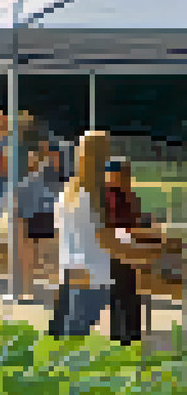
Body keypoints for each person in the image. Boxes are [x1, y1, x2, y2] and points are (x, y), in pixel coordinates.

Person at [50, 132, 156, 338]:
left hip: (70, 272)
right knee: (74, 341)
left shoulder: (67, 192)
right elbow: (107, 242)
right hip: (92, 275)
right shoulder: (95, 197)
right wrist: (146, 255)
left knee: (66, 339)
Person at [103, 158, 150, 345]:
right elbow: (108, 225)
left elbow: (136, 219)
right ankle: (120, 335)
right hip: (115, 250)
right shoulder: (106, 197)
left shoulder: (129, 196)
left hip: (129, 249)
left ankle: (132, 333)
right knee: (119, 293)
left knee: (130, 291)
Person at [13, 147, 60, 299]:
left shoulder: (31, 179)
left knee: (31, 256)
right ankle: (30, 289)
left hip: (34, 216)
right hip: (41, 215)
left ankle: (28, 289)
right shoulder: (44, 178)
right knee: (38, 256)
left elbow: (19, 201)